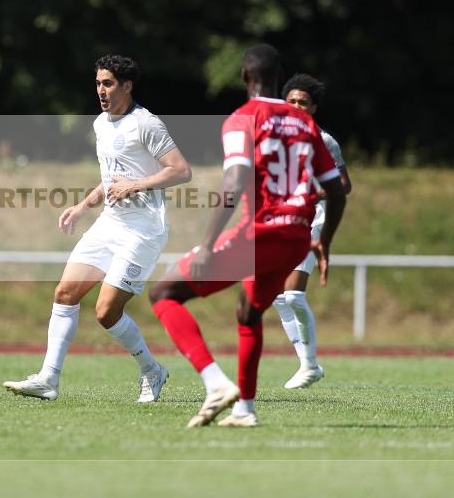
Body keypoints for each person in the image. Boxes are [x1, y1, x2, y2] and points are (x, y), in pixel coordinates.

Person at [148, 44, 346, 428]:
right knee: (249, 311)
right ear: (278, 77)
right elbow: (336, 191)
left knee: (164, 294)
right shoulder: (305, 123)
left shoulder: (243, 118)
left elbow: (235, 181)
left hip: (260, 234)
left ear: (244, 76)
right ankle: (244, 410)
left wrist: (208, 245)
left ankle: (216, 384)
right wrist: (325, 241)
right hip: (297, 238)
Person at [4, 54, 192, 402]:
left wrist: (135, 185)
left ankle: (152, 370)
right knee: (65, 293)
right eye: (98, 84)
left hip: (143, 231)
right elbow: (110, 178)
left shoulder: (146, 124)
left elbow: (181, 171)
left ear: (126, 86)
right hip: (110, 223)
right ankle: (48, 379)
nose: (101, 91)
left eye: (108, 84)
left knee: (106, 312)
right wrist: (82, 206)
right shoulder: (101, 124)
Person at [272, 73, 352, 389]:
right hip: (280, 220)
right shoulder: (272, 137)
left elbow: (344, 185)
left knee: (293, 294)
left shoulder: (324, 141)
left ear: (313, 108)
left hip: (311, 220)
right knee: (279, 297)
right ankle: (308, 364)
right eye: (291, 101)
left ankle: (310, 364)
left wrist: (312, 193)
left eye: (302, 102)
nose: (296, 106)